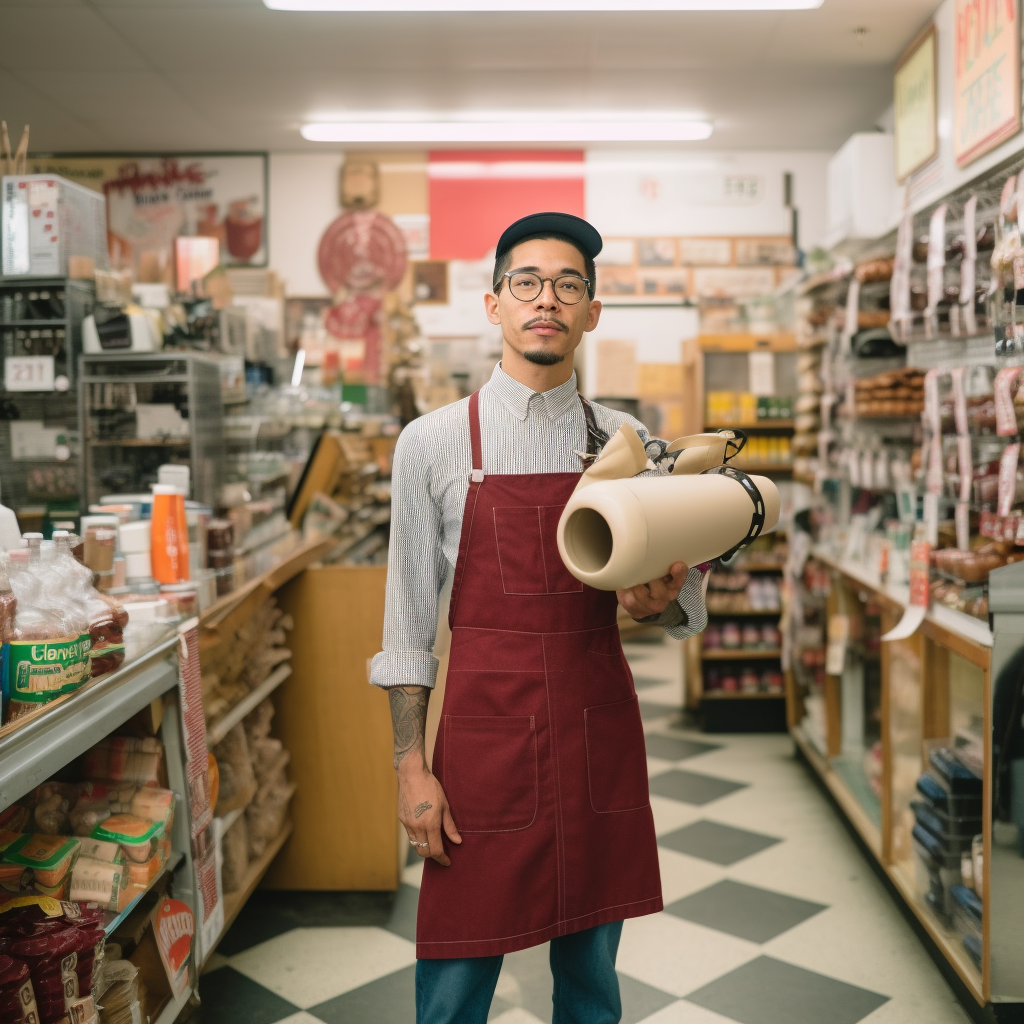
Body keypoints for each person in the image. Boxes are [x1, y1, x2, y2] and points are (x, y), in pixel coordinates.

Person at [370, 212, 709, 1024]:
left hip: (596, 732)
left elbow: (678, 607)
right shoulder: (434, 443)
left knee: (593, 984)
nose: (545, 300)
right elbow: (409, 623)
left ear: (592, 310)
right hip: (482, 745)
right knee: (454, 980)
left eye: (567, 285)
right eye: (527, 283)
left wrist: (659, 603)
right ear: (495, 305)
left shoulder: (627, 443)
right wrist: (411, 771)